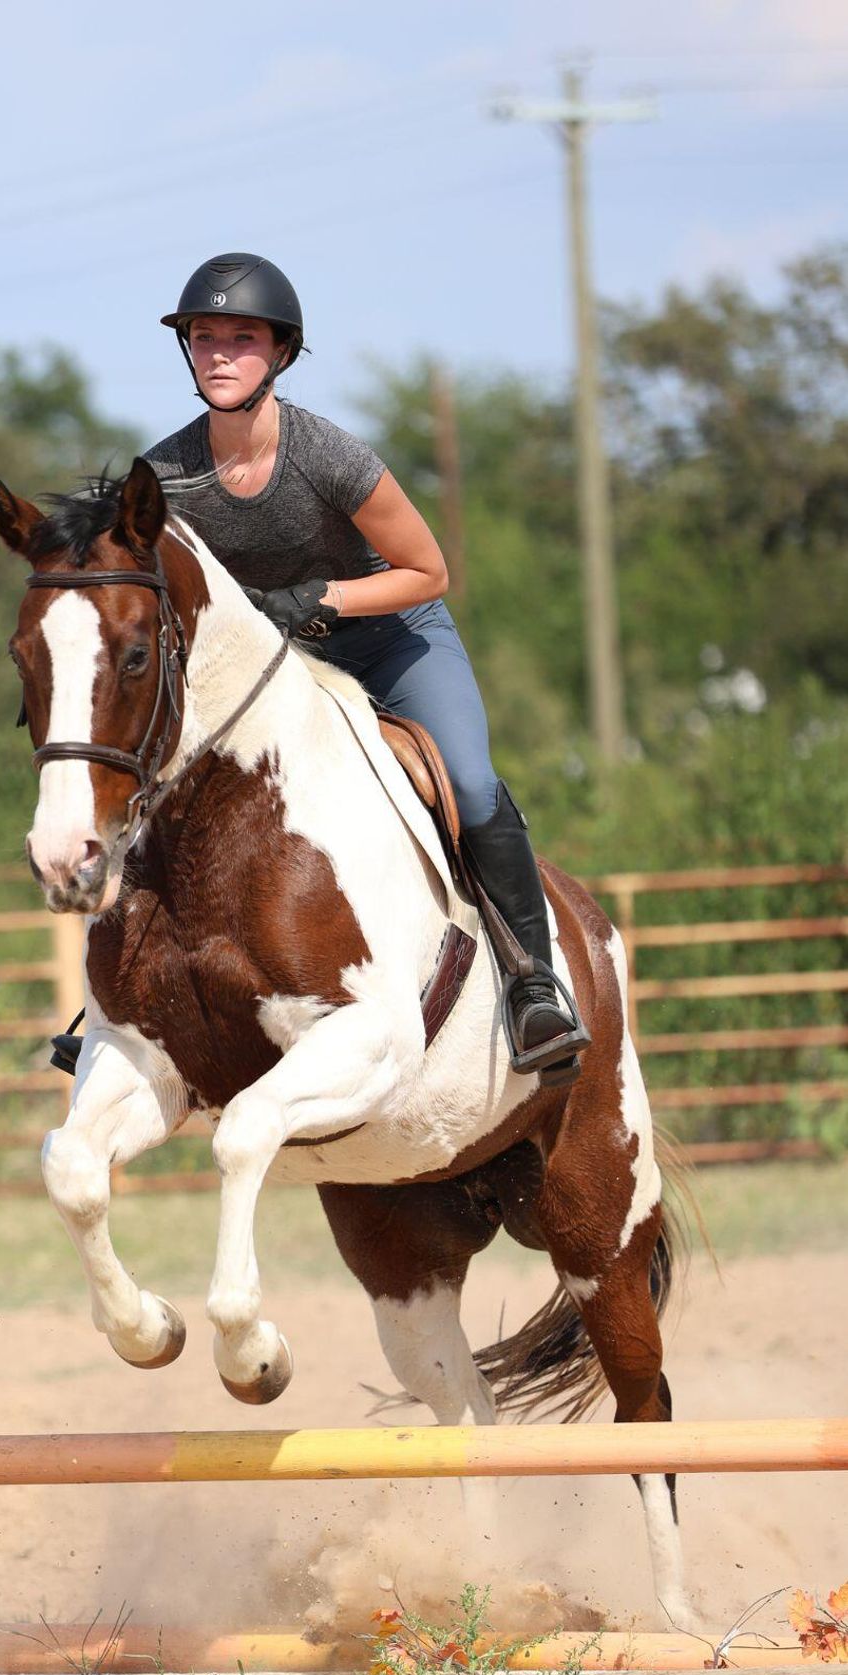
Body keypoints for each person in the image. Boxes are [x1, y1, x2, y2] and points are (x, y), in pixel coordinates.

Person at [144, 252, 586, 1081]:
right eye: (204, 337)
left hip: (391, 635)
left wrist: (323, 599)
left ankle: (535, 983)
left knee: (470, 779)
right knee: (171, 783)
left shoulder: (325, 454)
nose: (219, 353)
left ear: (279, 353)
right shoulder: (167, 475)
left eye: (242, 338)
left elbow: (428, 570)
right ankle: (128, 995)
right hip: (278, 663)